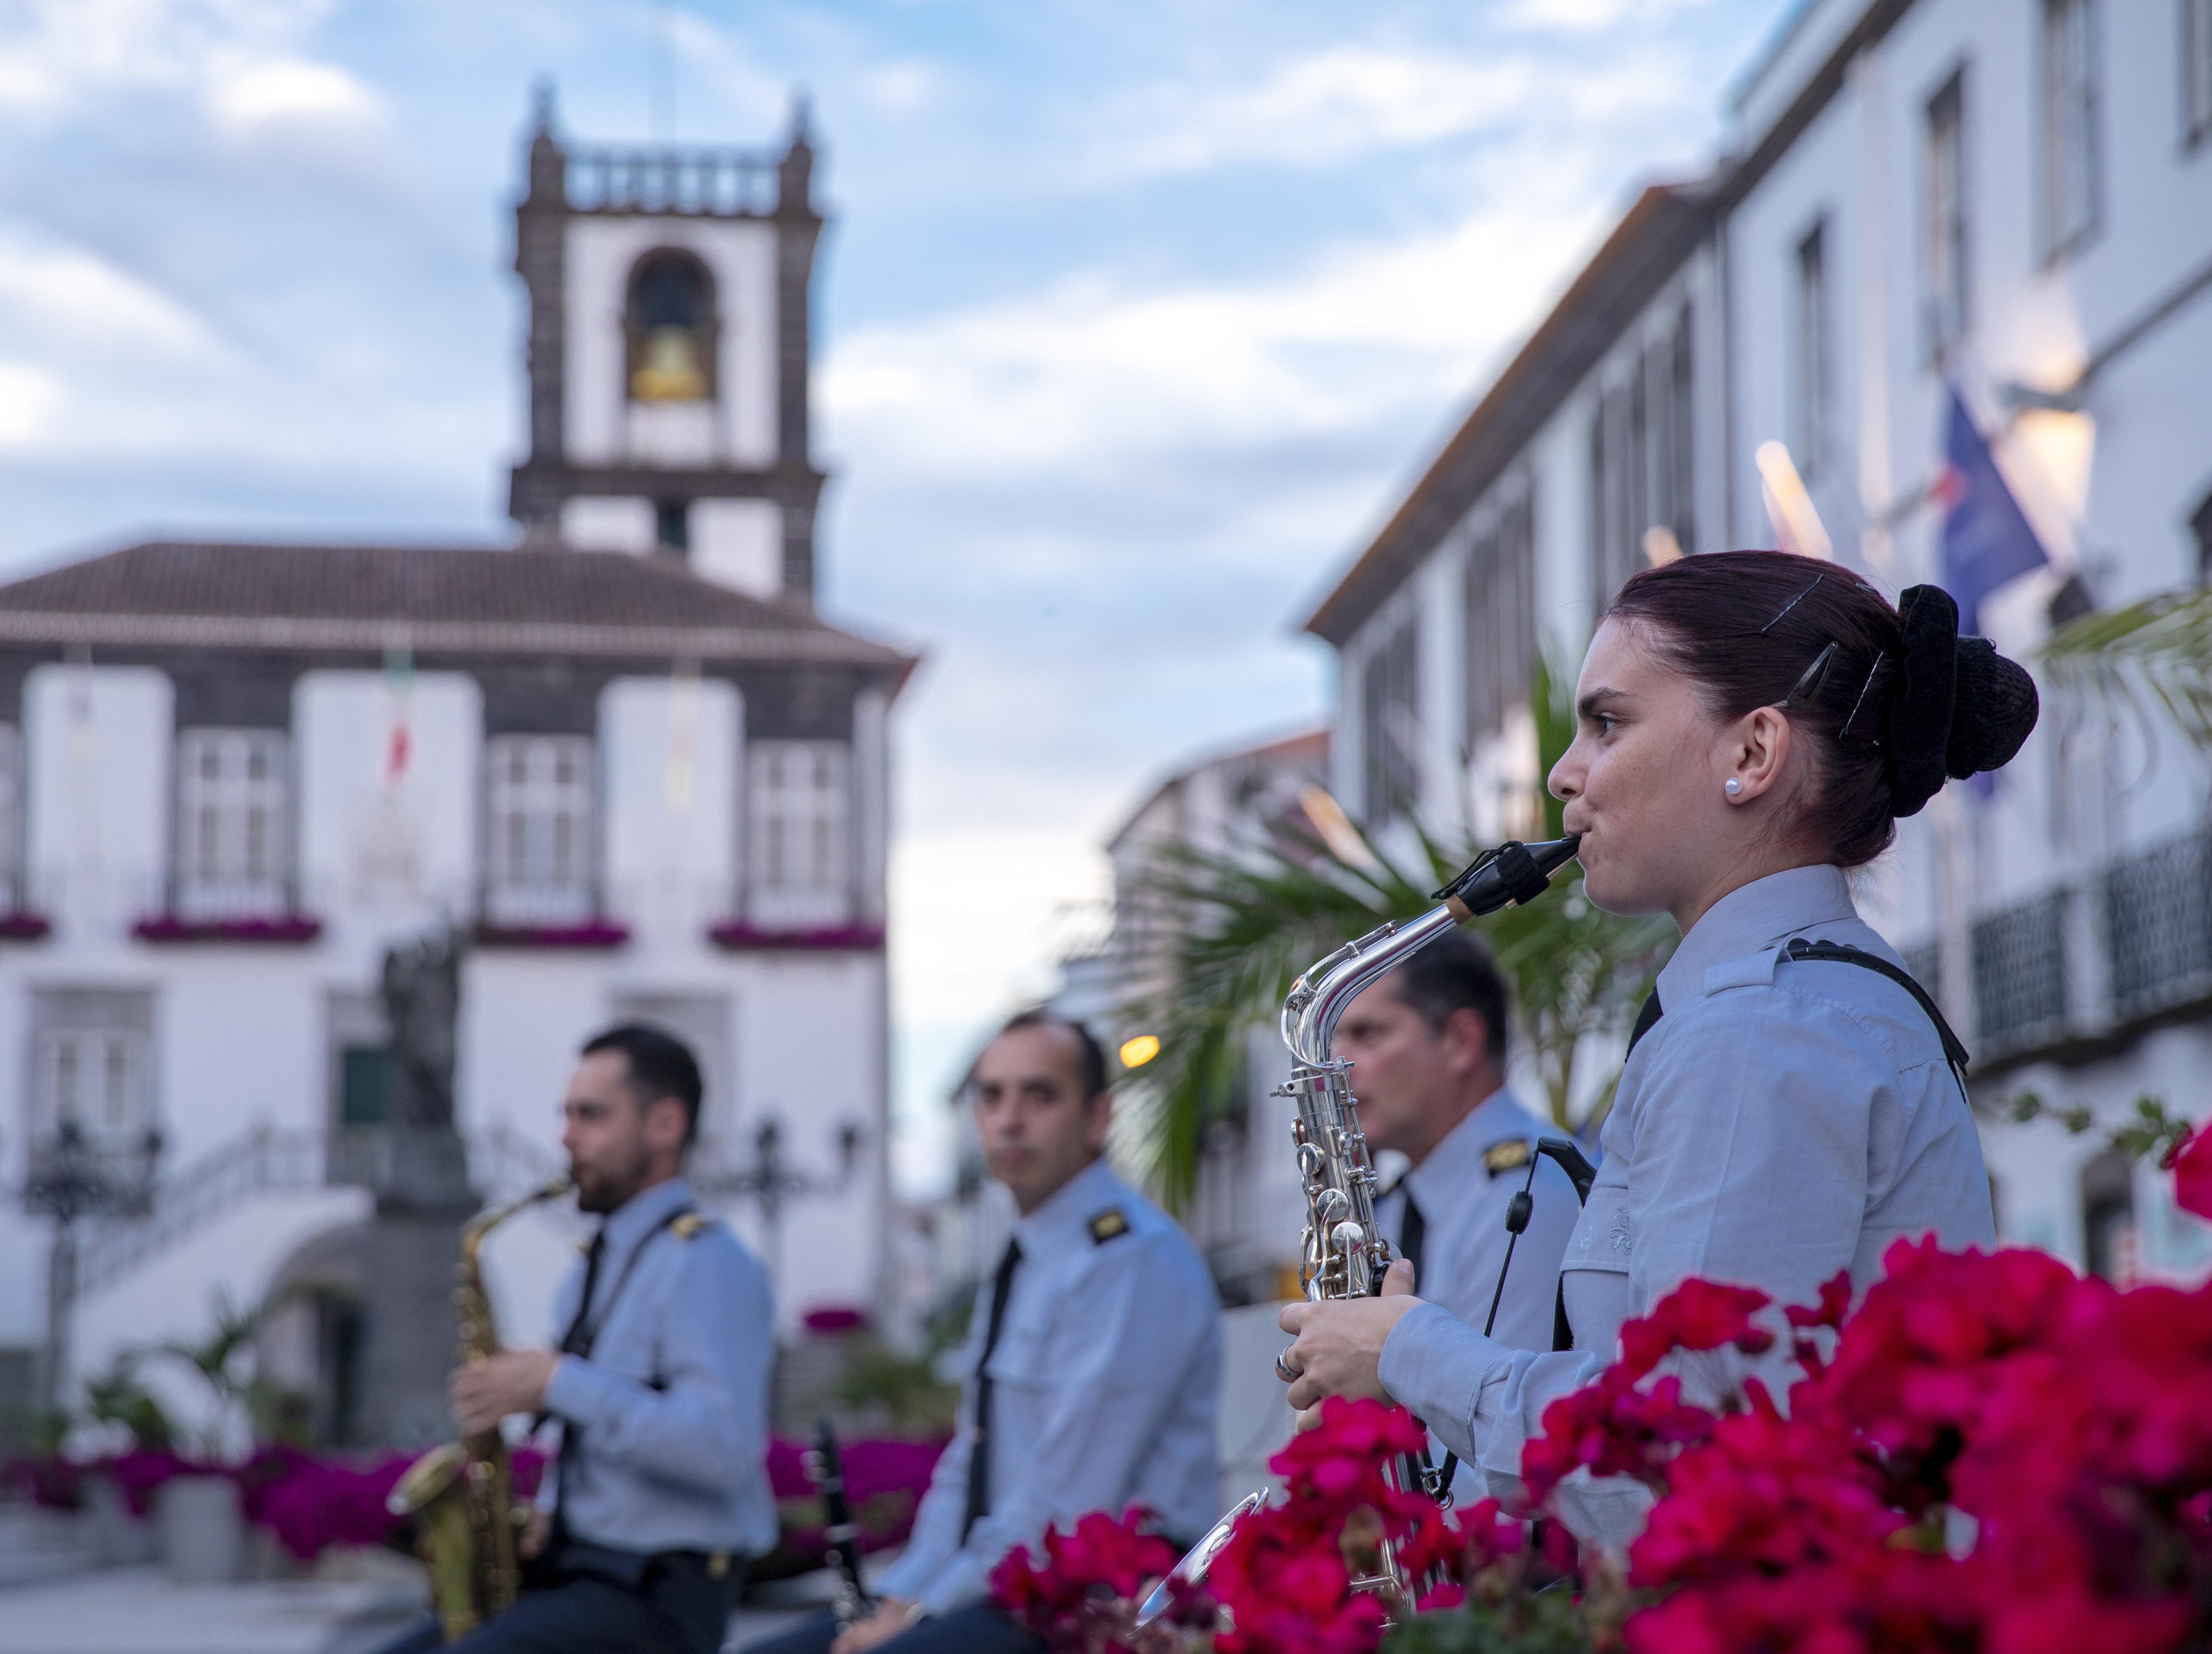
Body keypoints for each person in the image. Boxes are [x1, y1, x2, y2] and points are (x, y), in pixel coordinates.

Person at [1277, 553, 2031, 1550]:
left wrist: (1411, 1352)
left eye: (1608, 723)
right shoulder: (1798, 1001)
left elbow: (1679, 1465)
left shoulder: (1755, 1031)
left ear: (1754, 753)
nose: (1564, 773)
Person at [744, 1011, 1224, 1654]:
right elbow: (970, 1463)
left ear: (1098, 1117)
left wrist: (919, 1615)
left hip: (1102, 1595)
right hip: (1009, 1584)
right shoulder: (1028, 1252)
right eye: (991, 1096)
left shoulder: (1131, 1259)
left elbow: (1069, 1499)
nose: (1010, 1118)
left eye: (1041, 1095)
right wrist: (903, 1596)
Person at [385, 1022, 776, 1654]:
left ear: (665, 1125)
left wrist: (556, 1383)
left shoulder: (707, 1261)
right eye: (566, 1115)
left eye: (591, 1116)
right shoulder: (598, 1260)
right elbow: (601, 1418)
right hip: (584, 1571)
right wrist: (551, 1505)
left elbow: (724, 1447)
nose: (566, 1138)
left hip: (659, 1595)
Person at [1333, 932, 1579, 1353]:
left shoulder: (1535, 1190)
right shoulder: (1395, 1203)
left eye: (1367, 1034)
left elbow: (1504, 1408)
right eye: (1336, 1040)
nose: (1338, 1066)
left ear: (1461, 1041)